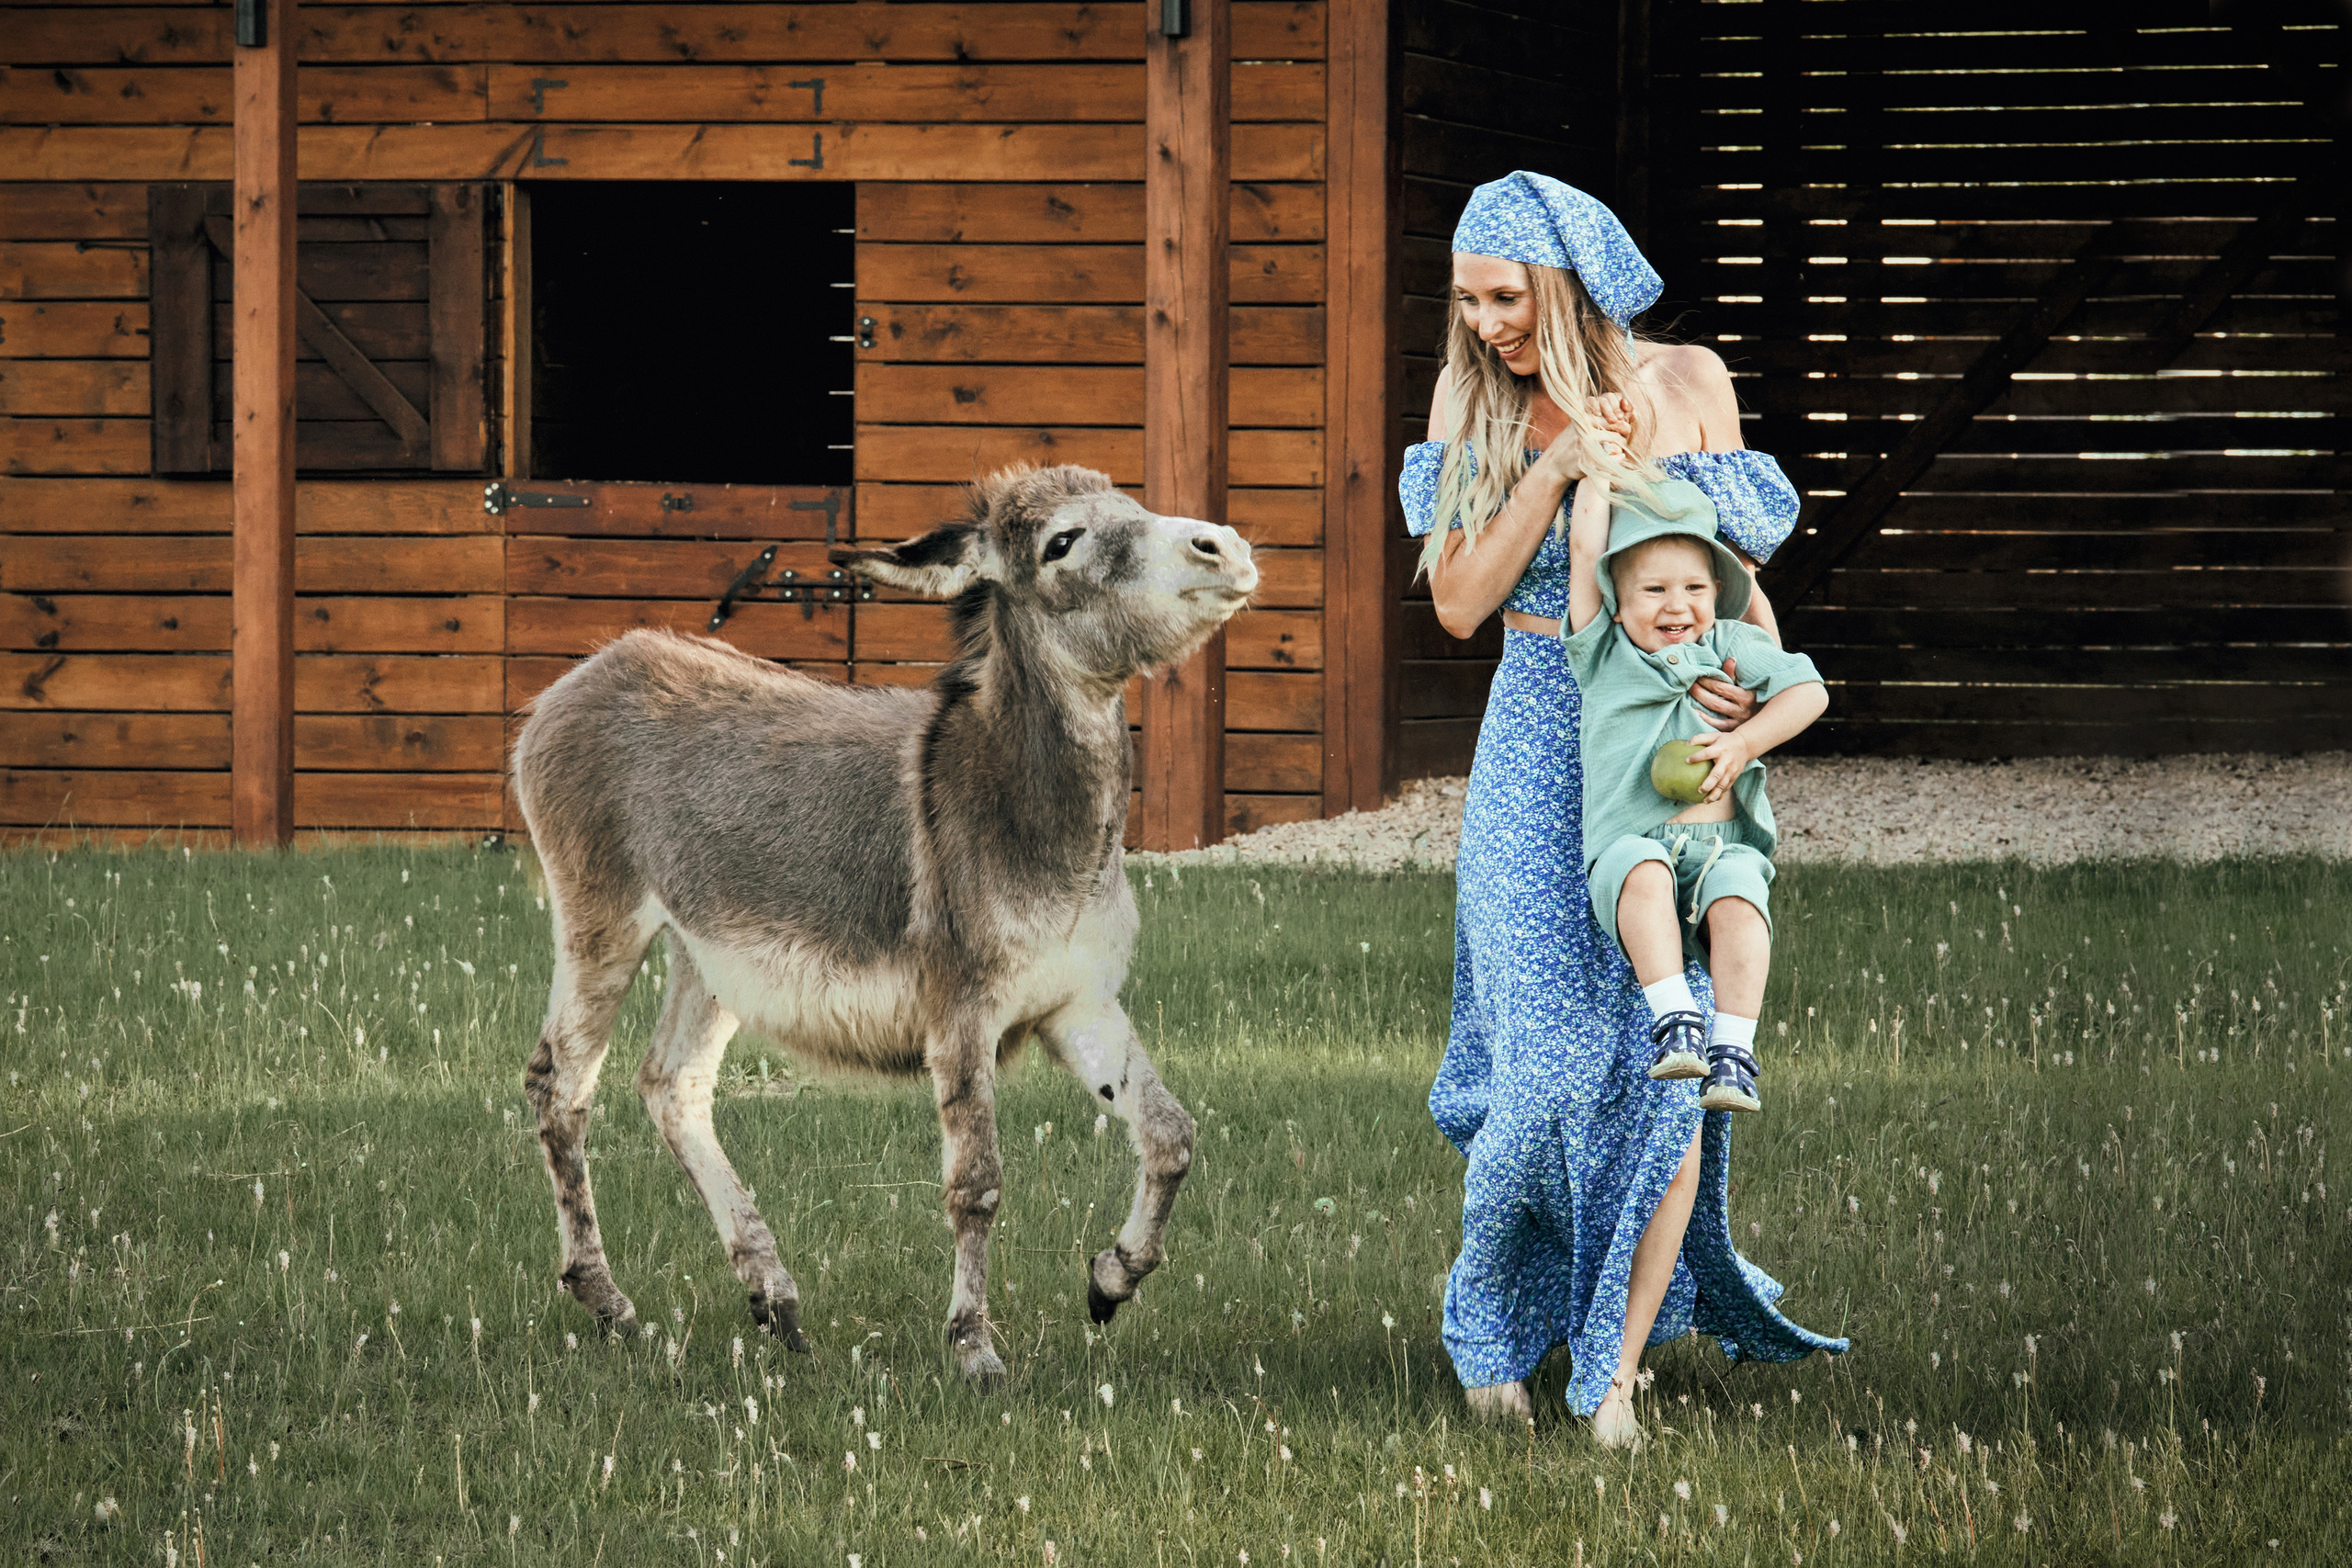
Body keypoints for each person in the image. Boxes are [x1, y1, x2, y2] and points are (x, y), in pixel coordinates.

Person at [1403, 171, 1848, 1450]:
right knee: (1541, 1073)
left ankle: (1614, 1368)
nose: (1486, 322)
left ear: (1571, 277)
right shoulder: (1473, 402)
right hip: (1540, 734)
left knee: (1679, 1059)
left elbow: (1743, 583)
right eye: (1468, 299)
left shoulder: (1693, 384)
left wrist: (1745, 697)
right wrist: (1552, 466)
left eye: (1505, 294)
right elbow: (1457, 604)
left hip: (1669, 734)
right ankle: (1491, 1316)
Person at [1562, 479, 1827, 1117]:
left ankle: (1734, 1049)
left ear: (1716, 595)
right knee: (1645, 874)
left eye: (1694, 588)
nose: (1675, 604)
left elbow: (1810, 691)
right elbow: (1582, 547)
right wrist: (1596, 463)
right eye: (1653, 589)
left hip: (1721, 846)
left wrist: (1745, 743)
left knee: (1741, 899)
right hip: (1634, 844)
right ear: (1617, 604)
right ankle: (1675, 1015)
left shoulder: (1731, 647)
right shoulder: (1603, 650)